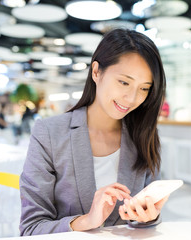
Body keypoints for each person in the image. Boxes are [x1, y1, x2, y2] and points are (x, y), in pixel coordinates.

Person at [19, 28, 167, 235]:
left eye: (144, 88)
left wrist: (148, 217)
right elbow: (31, 229)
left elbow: (142, 225)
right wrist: (87, 220)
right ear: (96, 72)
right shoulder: (49, 134)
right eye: (124, 82)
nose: (132, 98)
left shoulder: (144, 135)